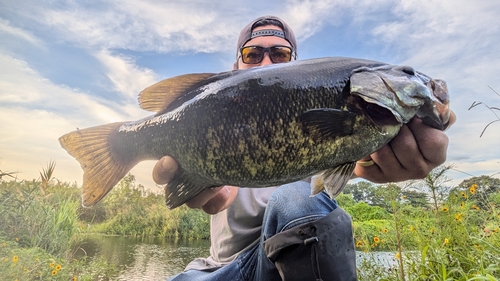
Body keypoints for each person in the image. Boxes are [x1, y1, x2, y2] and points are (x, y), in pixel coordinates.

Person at [158, 16, 456, 281]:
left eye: (280, 54)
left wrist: (396, 143)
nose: (265, 63)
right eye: (252, 54)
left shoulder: (349, 123)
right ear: (234, 68)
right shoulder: (215, 112)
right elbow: (224, 194)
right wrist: (207, 183)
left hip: (282, 260)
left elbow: (353, 164)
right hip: (218, 270)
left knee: (297, 196)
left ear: (297, 64)